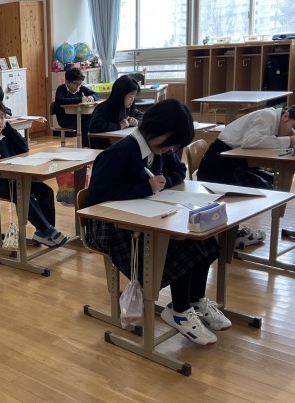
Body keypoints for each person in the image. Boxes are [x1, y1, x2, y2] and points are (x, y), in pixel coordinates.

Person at [86, 99, 230, 346]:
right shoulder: (120, 152)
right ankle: (179, 311)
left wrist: (161, 182)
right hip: (112, 228)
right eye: (170, 143)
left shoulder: (160, 149)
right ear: (156, 128)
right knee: (183, 246)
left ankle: (194, 300)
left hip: (145, 218)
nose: (171, 150)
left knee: (205, 242)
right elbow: (98, 195)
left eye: (175, 146)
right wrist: (145, 187)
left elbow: (179, 172)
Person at [0, 97, 69, 247]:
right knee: (23, 195)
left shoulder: (6, 134)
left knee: (46, 191)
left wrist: (9, 129)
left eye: (2, 118)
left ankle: (42, 233)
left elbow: (24, 148)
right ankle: (48, 230)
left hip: (17, 178)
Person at [197, 105, 295, 248]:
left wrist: (288, 140)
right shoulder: (267, 116)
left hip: (232, 164)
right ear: (285, 116)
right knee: (269, 189)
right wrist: (290, 141)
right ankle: (230, 235)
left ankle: (233, 233)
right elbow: (250, 141)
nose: (292, 133)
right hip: (218, 169)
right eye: (293, 127)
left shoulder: (274, 120)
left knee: (273, 181)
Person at [88, 75, 144, 149]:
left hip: (120, 144)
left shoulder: (127, 107)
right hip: (103, 148)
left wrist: (136, 121)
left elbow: (142, 116)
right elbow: (95, 126)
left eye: (134, 96)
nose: (132, 100)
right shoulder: (104, 108)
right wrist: (119, 126)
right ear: (121, 95)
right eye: (130, 96)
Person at [53, 67, 100, 147]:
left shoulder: (81, 88)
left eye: (80, 84)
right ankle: (85, 147)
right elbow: (59, 100)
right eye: (75, 84)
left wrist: (92, 97)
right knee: (86, 123)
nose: (78, 87)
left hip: (80, 116)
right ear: (67, 82)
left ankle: (94, 145)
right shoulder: (61, 89)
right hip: (65, 120)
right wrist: (79, 100)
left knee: (95, 120)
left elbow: (97, 94)